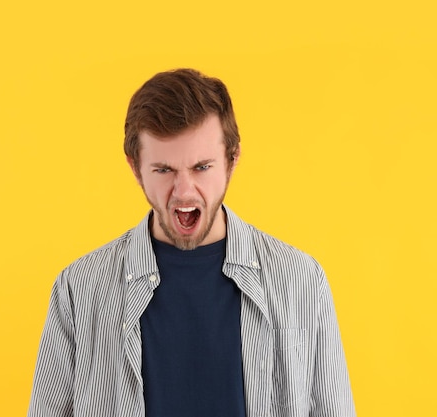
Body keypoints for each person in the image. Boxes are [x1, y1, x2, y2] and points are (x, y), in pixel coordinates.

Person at [28, 68, 356, 417]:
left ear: (232, 161)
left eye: (201, 167)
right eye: (164, 170)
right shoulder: (78, 290)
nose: (184, 191)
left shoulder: (302, 281)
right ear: (135, 168)